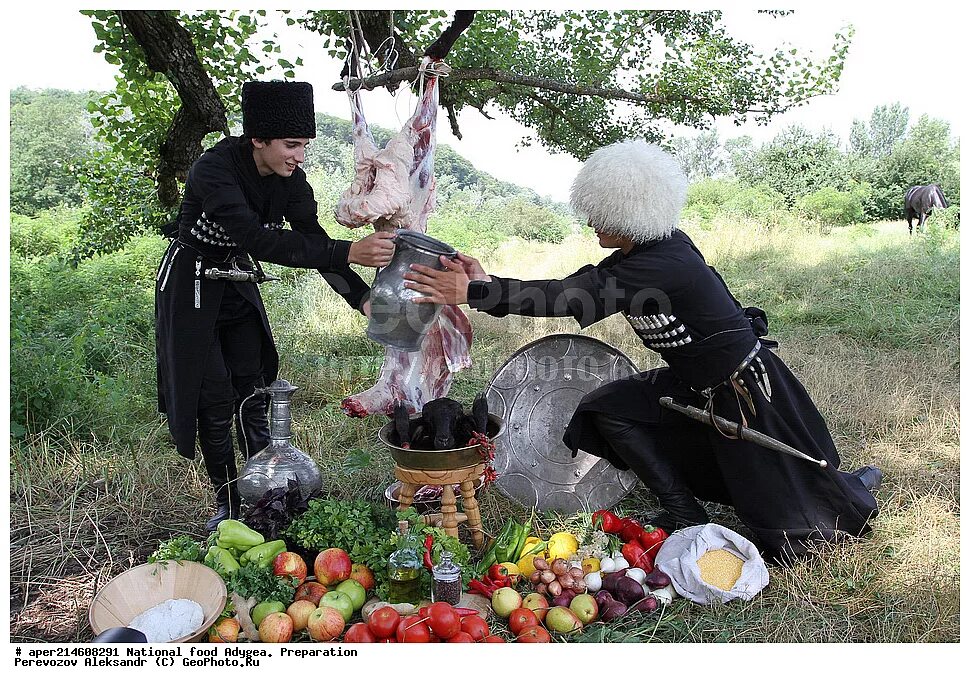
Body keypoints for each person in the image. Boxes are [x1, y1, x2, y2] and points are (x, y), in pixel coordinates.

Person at [403, 139, 881, 561]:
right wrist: (485, 281)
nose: (591, 221)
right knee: (608, 408)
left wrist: (475, 292)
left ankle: (846, 491)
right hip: (693, 383)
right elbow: (577, 284)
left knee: (793, 536)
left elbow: (570, 298)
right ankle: (684, 511)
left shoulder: (662, 263)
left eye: (602, 213)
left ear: (630, 214)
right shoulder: (643, 254)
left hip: (743, 392)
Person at [156, 81, 396, 532]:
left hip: (236, 282)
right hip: (191, 286)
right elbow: (257, 239)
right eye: (291, 145)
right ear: (258, 139)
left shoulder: (292, 182)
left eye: (304, 145)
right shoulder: (213, 170)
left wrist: (361, 297)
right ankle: (228, 502)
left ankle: (264, 493)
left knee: (253, 388)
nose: (299, 156)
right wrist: (349, 251)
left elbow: (311, 241)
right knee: (213, 398)